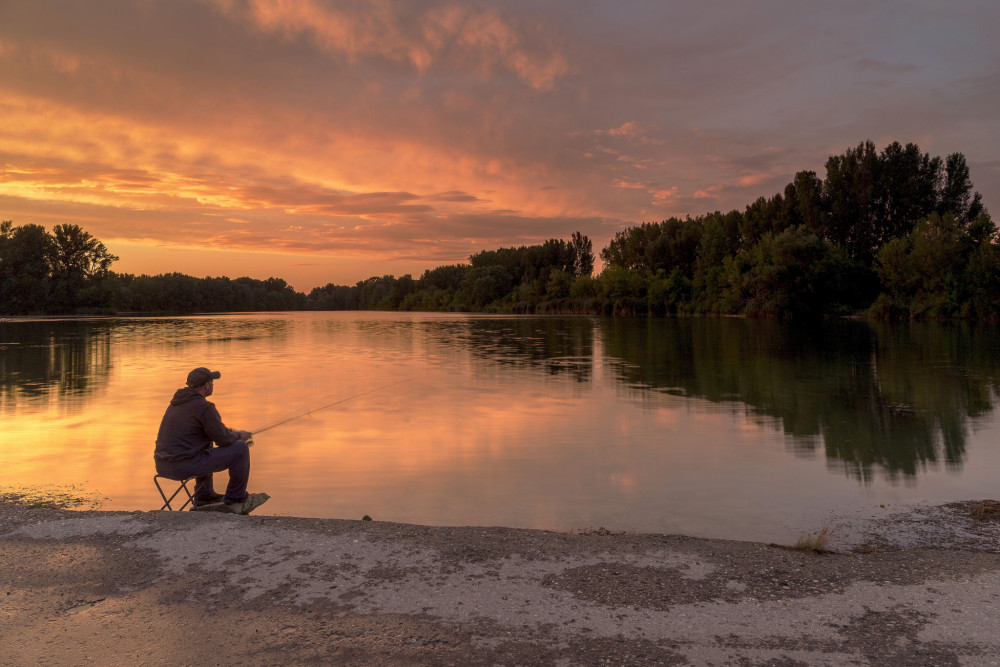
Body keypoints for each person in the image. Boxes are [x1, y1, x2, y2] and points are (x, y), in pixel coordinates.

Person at [154, 367, 268, 514]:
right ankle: (236, 498)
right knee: (240, 448)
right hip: (183, 466)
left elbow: (213, 432)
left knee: (206, 442)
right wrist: (239, 435)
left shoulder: (176, 404)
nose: (213, 385)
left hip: (163, 466)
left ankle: (204, 496)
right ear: (207, 386)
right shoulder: (204, 407)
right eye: (212, 382)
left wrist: (231, 432)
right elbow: (223, 440)